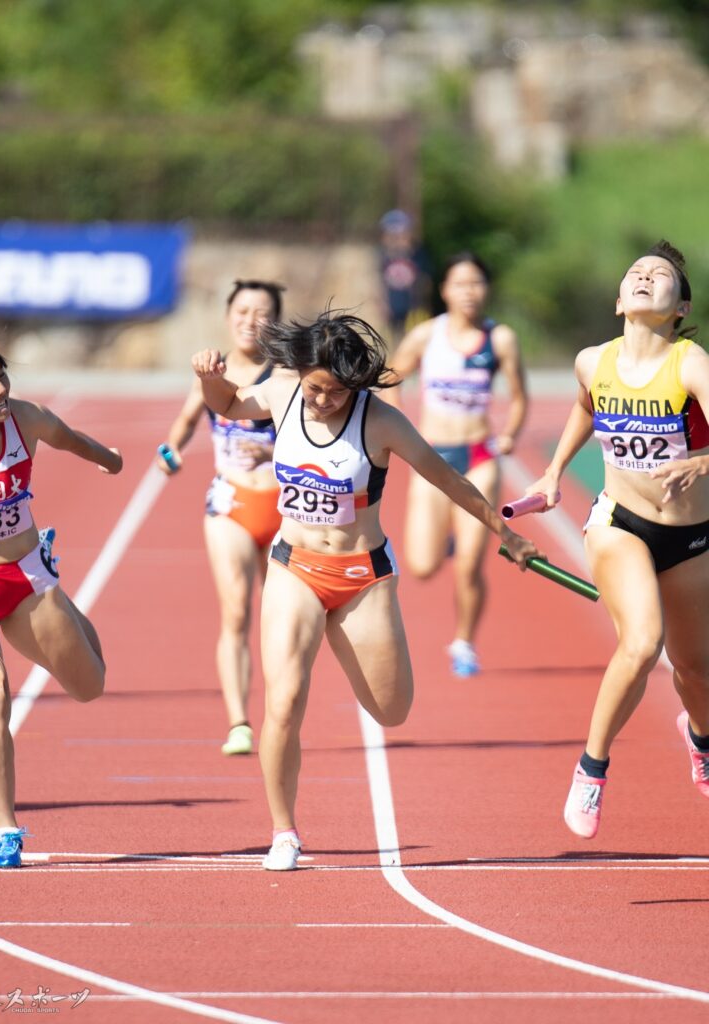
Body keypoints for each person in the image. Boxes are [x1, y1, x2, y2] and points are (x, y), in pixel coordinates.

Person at [192, 311, 539, 870]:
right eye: (313, 389)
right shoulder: (282, 393)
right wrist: (209, 377)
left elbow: (448, 480)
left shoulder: (382, 422)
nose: (321, 401)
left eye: (333, 392)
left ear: (354, 385)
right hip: (293, 567)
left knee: (391, 710)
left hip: (362, 578)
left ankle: (357, 647)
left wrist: (509, 536)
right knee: (283, 701)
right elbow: (229, 405)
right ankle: (284, 832)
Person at [525, 240, 709, 839]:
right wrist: (553, 473)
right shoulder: (591, 361)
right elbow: (587, 405)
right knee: (643, 641)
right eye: (636, 272)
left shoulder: (690, 363)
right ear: (618, 302)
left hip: (690, 535)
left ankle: (700, 737)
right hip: (619, 523)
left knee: (696, 668)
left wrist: (702, 465)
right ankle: (591, 769)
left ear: (679, 307)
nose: (646, 277)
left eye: (660, 276)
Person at [0, 335, 122, 867]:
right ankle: (5, 831)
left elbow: (71, 440)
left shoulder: (25, 419)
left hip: (24, 577)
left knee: (90, 685)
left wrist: (109, 459)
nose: (1, 389)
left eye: (2, 376)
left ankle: (56, 585)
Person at [158, 280, 285, 756]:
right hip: (230, 504)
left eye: (262, 311)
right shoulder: (215, 372)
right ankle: (238, 722)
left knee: (280, 619)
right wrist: (170, 450)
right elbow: (189, 419)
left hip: (285, 510)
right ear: (228, 316)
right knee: (236, 611)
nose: (250, 319)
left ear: (276, 320)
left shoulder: (287, 373)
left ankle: (281, 710)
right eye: (242, 310)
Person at [387, 251, 529, 677]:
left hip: (479, 458)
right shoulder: (425, 336)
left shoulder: (499, 338)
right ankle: (446, 537)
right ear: (444, 290)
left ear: (485, 289)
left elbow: (520, 396)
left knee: (470, 564)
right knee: (423, 566)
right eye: (460, 283)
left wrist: (509, 435)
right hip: (433, 460)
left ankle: (464, 642)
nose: (469, 291)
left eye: (476, 283)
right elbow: (390, 378)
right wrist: (400, 428)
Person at [378, 209, 433, 348]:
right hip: (392, 306)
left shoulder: (418, 254)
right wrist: (380, 302)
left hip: (413, 306)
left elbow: (426, 279)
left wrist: (423, 302)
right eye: (393, 234)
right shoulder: (383, 255)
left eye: (402, 233)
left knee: (413, 339)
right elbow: (378, 280)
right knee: (393, 341)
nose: (398, 238)